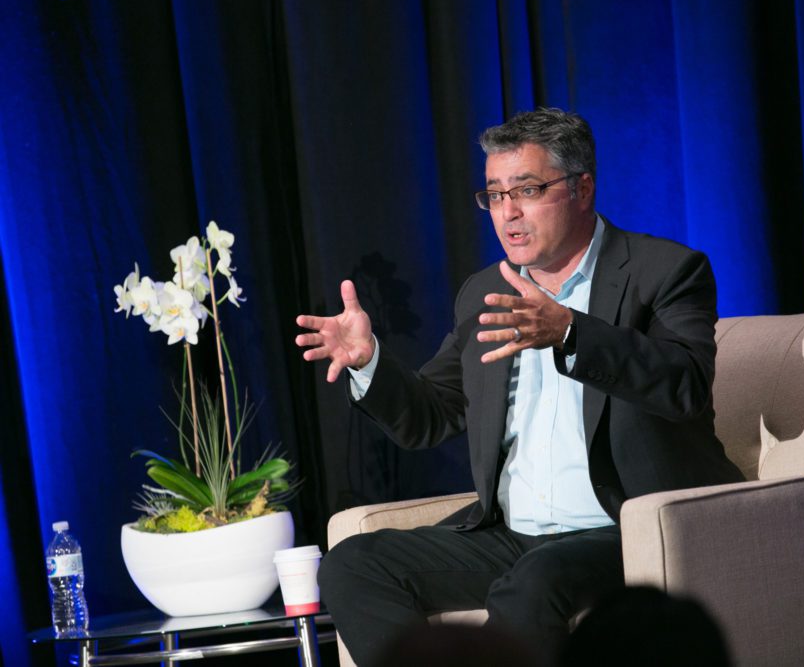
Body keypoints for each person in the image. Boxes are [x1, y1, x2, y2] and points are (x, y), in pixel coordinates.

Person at [295, 107, 744, 665]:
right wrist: (370, 364)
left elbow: (686, 384)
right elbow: (432, 415)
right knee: (353, 564)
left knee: (533, 582)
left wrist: (571, 332)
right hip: (513, 535)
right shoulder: (486, 291)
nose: (508, 212)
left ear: (582, 188)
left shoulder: (664, 271)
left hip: (626, 527)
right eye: (494, 195)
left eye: (527, 190)